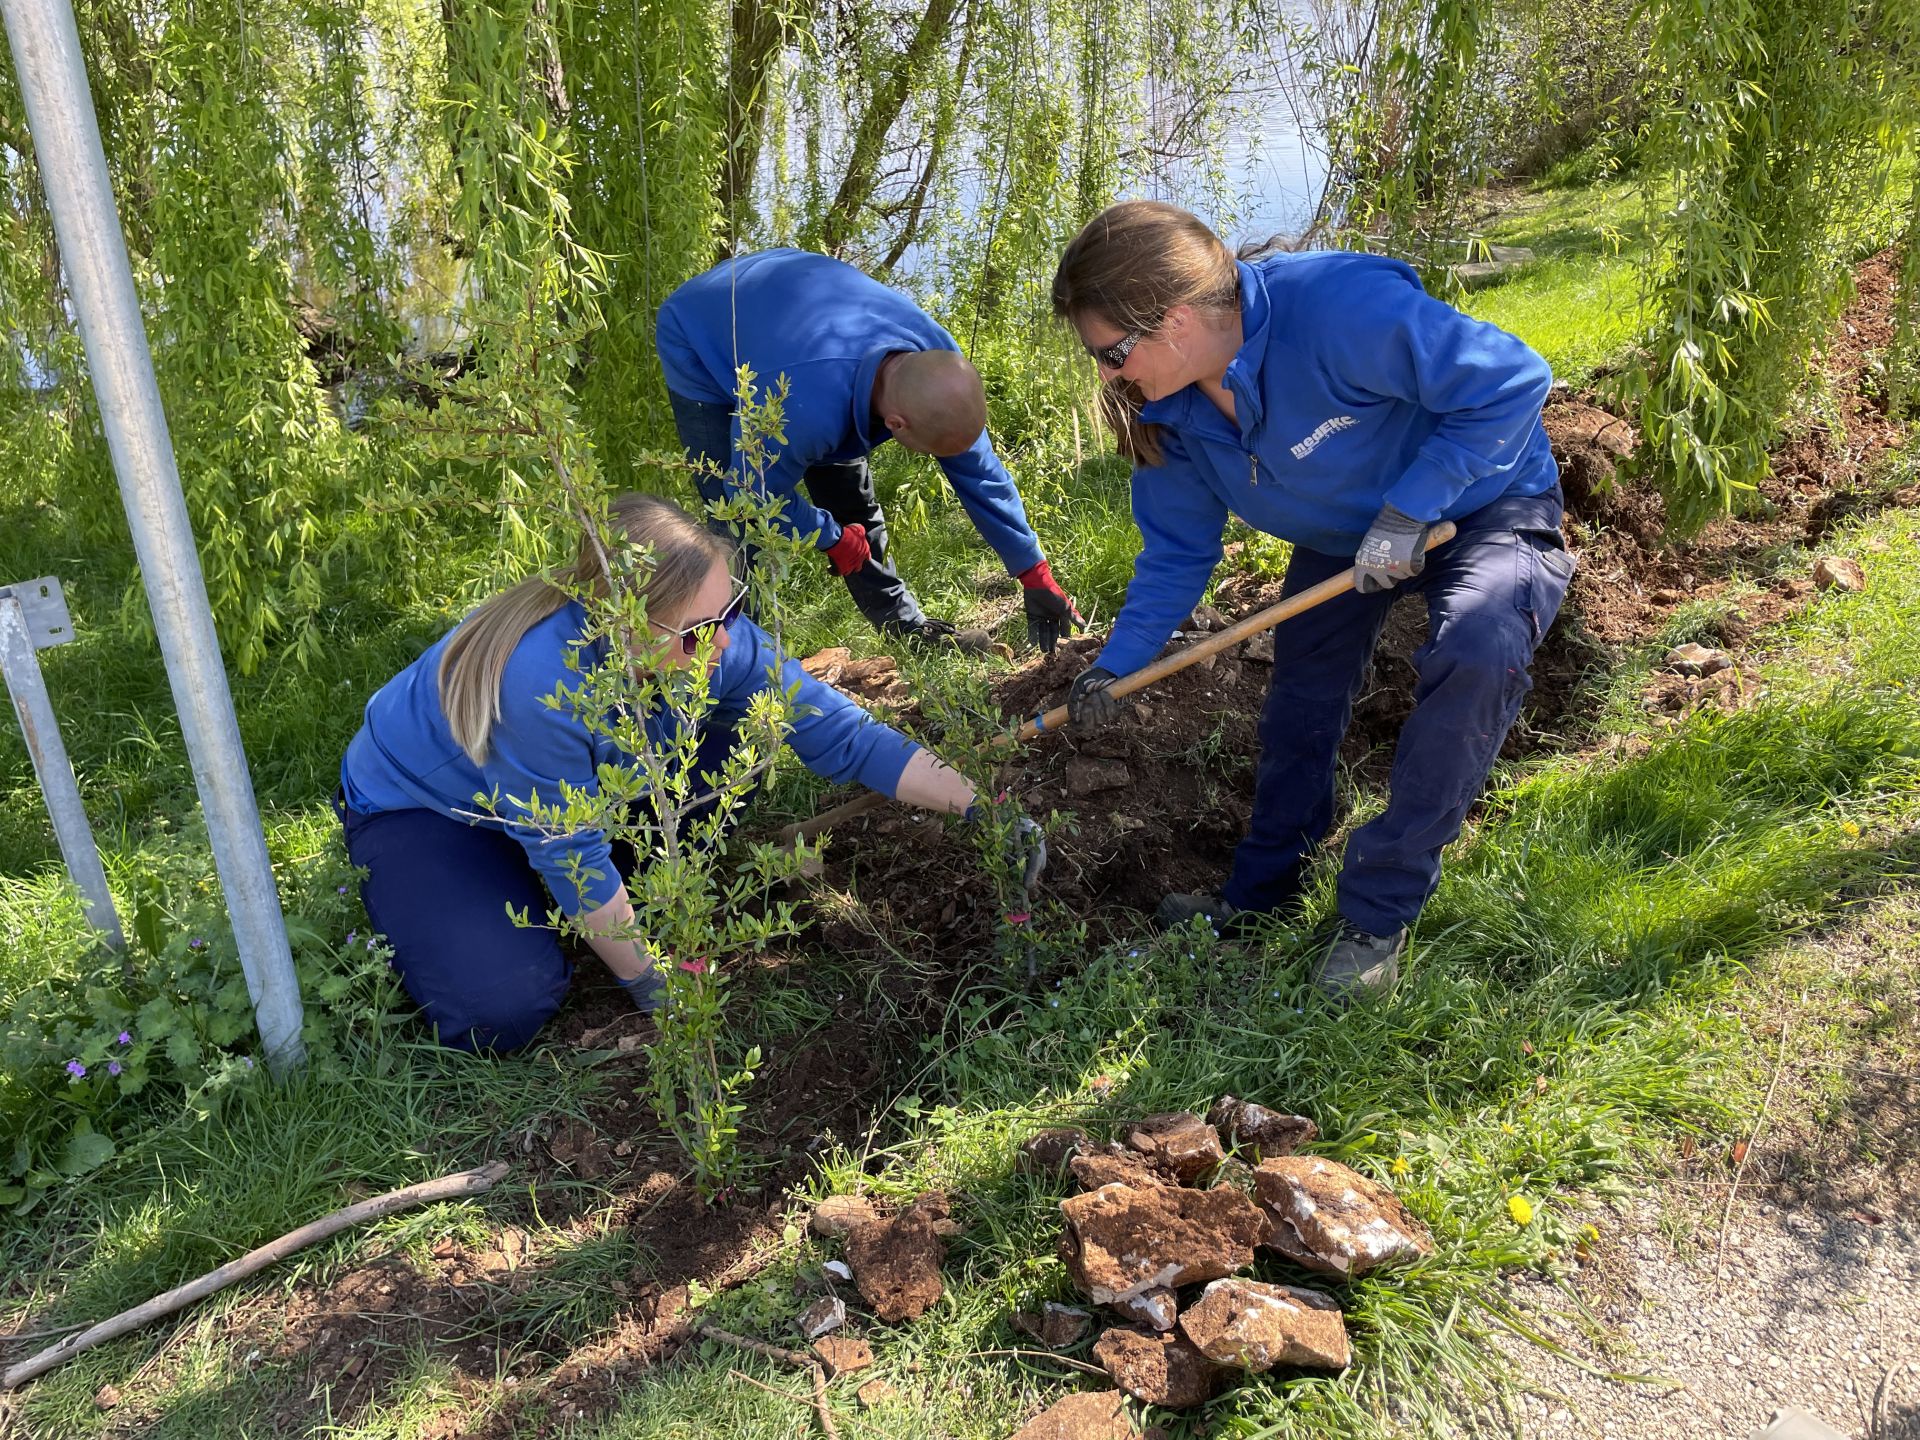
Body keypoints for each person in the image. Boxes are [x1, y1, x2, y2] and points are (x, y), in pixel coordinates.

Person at [1051, 200, 1575, 999]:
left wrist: (1411, 507)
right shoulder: (1176, 410)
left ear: (1179, 320)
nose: (1108, 373)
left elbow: (1512, 380)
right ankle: (1261, 896)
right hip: (1346, 537)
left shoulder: (1337, 310)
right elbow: (1178, 553)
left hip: (1484, 501)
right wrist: (1113, 668)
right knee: (1301, 697)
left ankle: (1377, 914)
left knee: (1477, 649)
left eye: (1113, 350)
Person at [336, 493, 1043, 1052]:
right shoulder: (539, 684)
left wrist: (979, 806)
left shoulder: (717, 642)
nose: (727, 638)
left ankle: (563, 906)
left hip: (557, 798)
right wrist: (657, 989)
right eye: (702, 628)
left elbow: (844, 734)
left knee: (741, 727)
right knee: (501, 1007)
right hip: (429, 812)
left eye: (731, 610)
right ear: (626, 622)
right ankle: (474, 897)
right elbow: (573, 857)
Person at [655, 247, 1082, 653]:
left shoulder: (937, 364)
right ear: (895, 425)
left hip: (793, 312)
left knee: (852, 501)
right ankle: (749, 657)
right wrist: (830, 537)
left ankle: (906, 628)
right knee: (734, 522)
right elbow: (749, 495)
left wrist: (1033, 572)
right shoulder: (804, 408)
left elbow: (980, 472)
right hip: (703, 328)